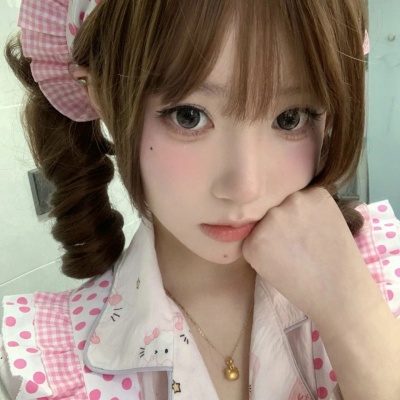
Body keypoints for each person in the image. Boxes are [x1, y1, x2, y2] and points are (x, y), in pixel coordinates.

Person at [1, 0, 399, 399]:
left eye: (290, 118)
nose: (245, 187)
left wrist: (352, 317)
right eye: (188, 116)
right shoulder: (38, 366)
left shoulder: (383, 275)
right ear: (101, 96)